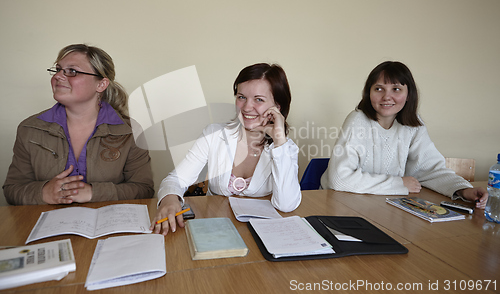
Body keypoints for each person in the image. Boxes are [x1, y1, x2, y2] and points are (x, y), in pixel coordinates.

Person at [152, 63, 301, 235]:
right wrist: (169, 199)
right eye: (241, 97)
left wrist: (279, 140)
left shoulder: (285, 148)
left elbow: (286, 205)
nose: (246, 107)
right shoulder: (214, 134)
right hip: (217, 228)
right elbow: (176, 180)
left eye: (258, 99)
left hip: (264, 233)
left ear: (278, 107)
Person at [320, 61, 488, 208]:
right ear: (368, 93)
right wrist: (399, 184)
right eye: (379, 89)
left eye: (396, 89)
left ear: (408, 95)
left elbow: (430, 169)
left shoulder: (413, 125)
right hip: (342, 204)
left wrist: (463, 189)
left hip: (385, 204)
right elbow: (340, 179)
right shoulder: (357, 120)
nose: (387, 96)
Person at [3, 44, 154, 205]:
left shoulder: (131, 131)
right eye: (58, 69)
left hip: (108, 226)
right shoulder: (29, 129)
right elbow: (12, 190)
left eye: (72, 71)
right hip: (47, 225)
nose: (58, 76)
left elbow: (143, 189)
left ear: (101, 85)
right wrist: (43, 192)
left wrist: (93, 193)